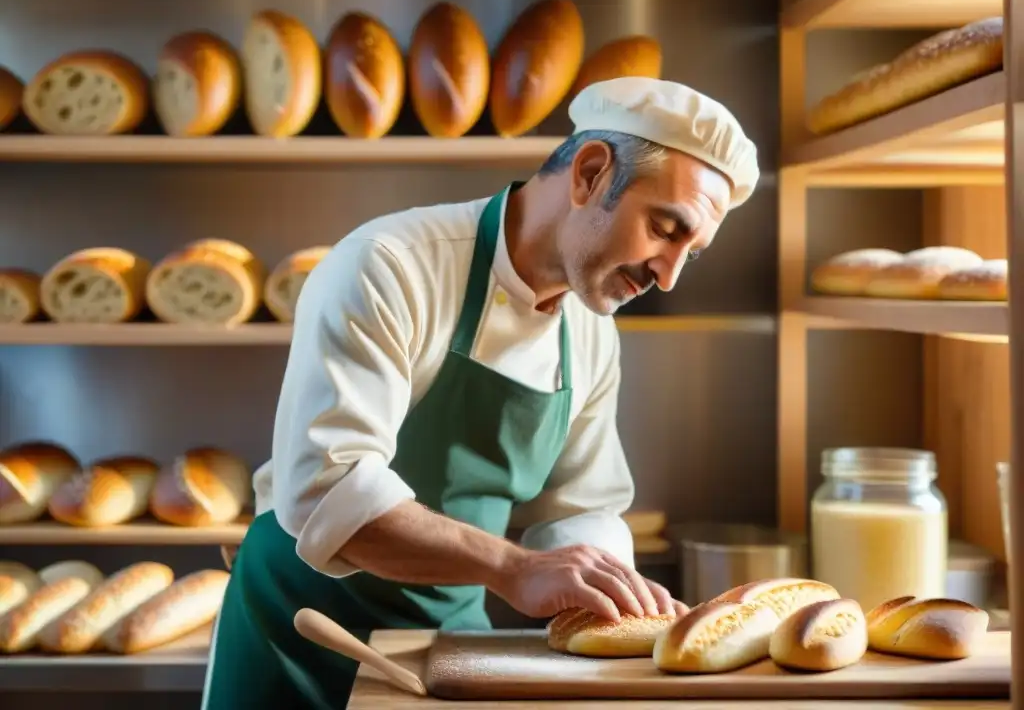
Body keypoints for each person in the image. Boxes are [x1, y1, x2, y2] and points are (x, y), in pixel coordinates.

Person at [200, 76, 759, 708]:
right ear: (591, 174)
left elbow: (578, 507)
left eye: (692, 252)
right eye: (664, 229)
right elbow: (327, 489)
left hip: (447, 638)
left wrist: (609, 591)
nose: (669, 275)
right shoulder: (389, 265)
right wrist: (516, 569)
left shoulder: (591, 331)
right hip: (298, 627)